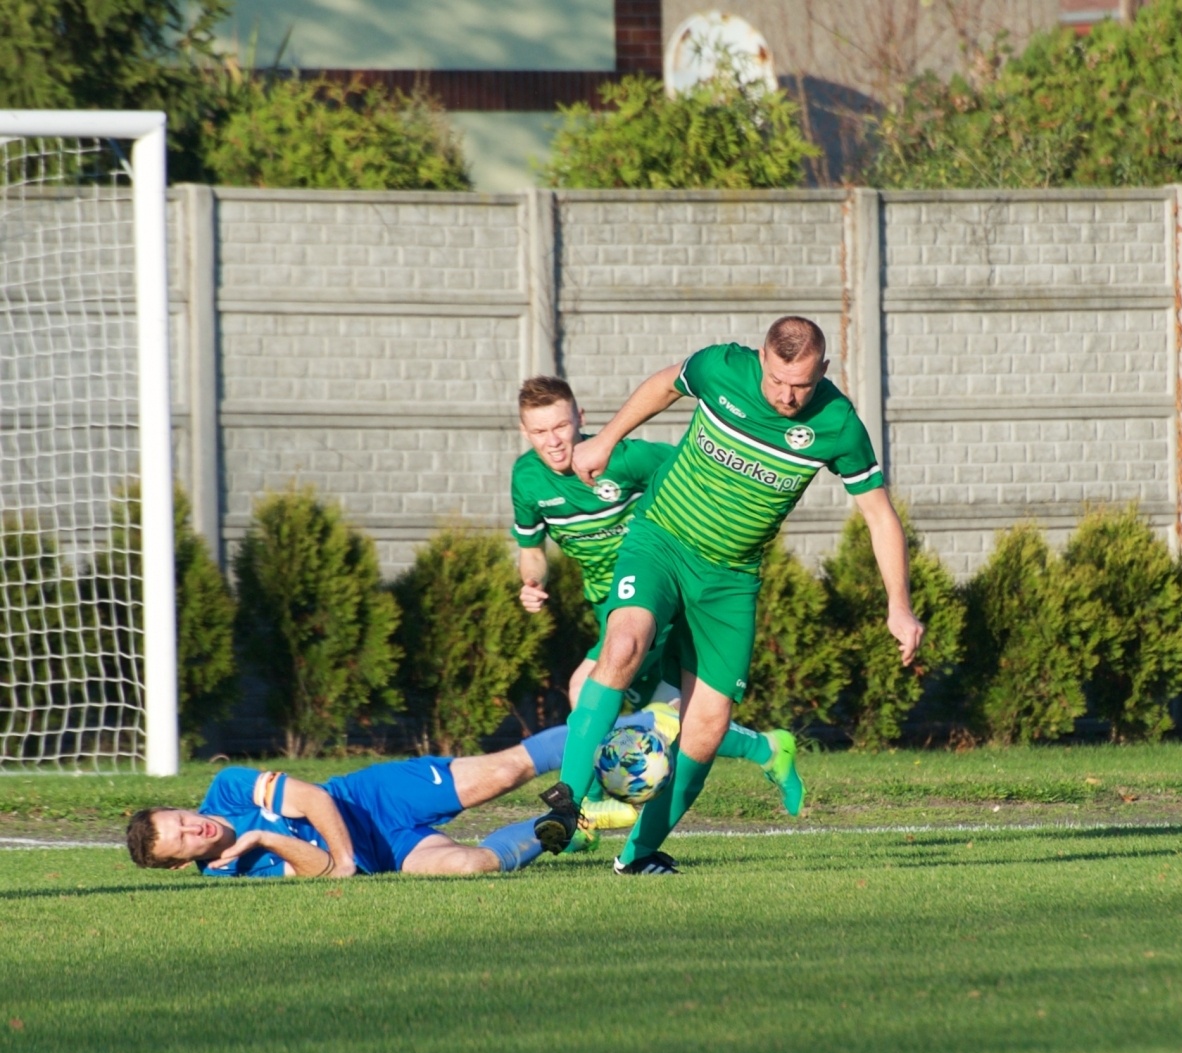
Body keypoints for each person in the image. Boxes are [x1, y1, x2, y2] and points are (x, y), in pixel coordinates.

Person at [552, 316, 925, 875]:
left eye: (800, 384)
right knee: (625, 641)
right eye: (777, 380)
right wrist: (606, 439)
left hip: (729, 581)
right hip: (661, 541)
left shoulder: (838, 424)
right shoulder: (721, 367)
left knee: (707, 725)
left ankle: (641, 854)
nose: (786, 395)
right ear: (760, 359)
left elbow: (878, 513)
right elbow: (664, 384)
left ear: (823, 370)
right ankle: (565, 800)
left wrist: (899, 603)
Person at [510, 375, 805, 817]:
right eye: (539, 431)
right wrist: (532, 582)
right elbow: (531, 549)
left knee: (583, 688)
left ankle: (582, 810)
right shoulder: (527, 479)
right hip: (607, 610)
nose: (553, 441)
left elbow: (696, 477)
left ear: (580, 419)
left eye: (561, 427)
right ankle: (768, 749)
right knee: (680, 718)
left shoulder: (626, 459)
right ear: (524, 432)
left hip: (656, 597)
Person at [122, 708, 680, 878]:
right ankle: (570, 829)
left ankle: (641, 719)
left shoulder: (225, 789)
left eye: (180, 817)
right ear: (182, 864)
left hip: (375, 797)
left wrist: (342, 858)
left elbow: (315, 799)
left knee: (504, 773)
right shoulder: (227, 873)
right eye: (183, 841)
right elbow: (314, 869)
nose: (194, 827)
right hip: (384, 854)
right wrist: (264, 836)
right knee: (470, 865)